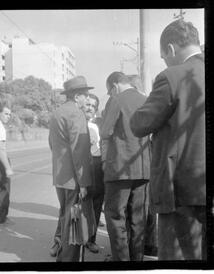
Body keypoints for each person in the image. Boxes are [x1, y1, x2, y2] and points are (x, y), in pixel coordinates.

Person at [130, 19, 205, 260]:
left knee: (178, 259)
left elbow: (140, 124)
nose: (165, 61)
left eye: (164, 56)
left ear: (170, 49)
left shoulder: (172, 76)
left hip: (180, 190)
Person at [100, 71, 151, 261]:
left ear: (114, 86)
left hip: (119, 170)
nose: (110, 94)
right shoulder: (146, 99)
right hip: (144, 168)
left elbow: (105, 132)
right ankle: (136, 260)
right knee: (138, 218)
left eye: (109, 91)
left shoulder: (117, 100)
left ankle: (121, 261)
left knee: (115, 216)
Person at [48, 75, 94, 262]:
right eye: (85, 95)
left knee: (66, 216)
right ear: (77, 97)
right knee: (73, 221)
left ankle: (62, 254)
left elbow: (52, 143)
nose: (87, 99)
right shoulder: (76, 113)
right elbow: (80, 150)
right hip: (74, 178)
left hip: (60, 177)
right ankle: (67, 261)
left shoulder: (57, 112)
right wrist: (83, 182)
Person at [83, 93, 104, 254]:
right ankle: (69, 239)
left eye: (93, 106)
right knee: (76, 203)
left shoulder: (98, 124)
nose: (89, 108)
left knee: (96, 204)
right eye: (87, 104)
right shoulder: (76, 123)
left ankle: (91, 239)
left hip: (97, 166)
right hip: (80, 165)